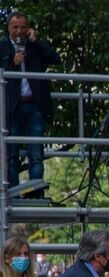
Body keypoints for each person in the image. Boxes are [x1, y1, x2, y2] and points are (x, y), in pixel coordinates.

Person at [1, 12, 59, 186]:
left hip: (34, 106)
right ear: (8, 28)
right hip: (12, 107)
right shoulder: (3, 46)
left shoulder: (34, 46)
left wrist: (35, 41)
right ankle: (12, 194)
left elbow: (55, 58)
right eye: (15, 27)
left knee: (36, 153)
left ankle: (36, 192)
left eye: (23, 27)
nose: (19, 31)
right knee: (11, 154)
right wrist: (12, 61)